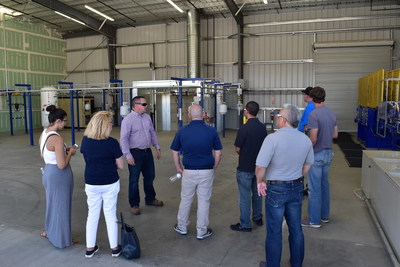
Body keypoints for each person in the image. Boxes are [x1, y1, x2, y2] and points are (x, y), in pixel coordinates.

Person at [256, 105, 314, 267]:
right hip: (296, 188)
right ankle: (296, 264)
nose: (276, 117)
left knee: (274, 232)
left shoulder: (272, 139)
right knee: (296, 230)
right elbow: (308, 165)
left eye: (278, 114)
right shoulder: (305, 139)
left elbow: (261, 167)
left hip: (276, 189)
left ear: (284, 120)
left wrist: (260, 181)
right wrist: (296, 177)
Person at [170, 104, 222, 240]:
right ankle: (201, 231)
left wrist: (178, 168)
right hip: (206, 170)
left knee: (186, 199)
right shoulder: (211, 131)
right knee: (204, 201)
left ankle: (182, 227)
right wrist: (214, 167)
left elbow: (174, 152)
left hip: (188, 171)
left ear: (188, 116)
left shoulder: (182, 131)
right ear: (203, 114)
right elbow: (218, 153)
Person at [80, 111, 124, 258]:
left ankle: (90, 248)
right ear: (106, 126)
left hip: (92, 182)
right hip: (110, 182)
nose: (111, 126)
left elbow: (88, 159)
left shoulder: (86, 141)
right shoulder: (112, 143)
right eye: (110, 123)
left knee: (92, 215)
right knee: (110, 215)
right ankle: (115, 248)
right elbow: (121, 165)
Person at [39, 105, 77, 249]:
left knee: (52, 205)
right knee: (62, 207)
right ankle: (61, 238)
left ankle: (49, 231)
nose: (65, 124)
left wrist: (61, 150)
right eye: (65, 121)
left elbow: (43, 154)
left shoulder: (44, 133)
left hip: (48, 171)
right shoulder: (57, 139)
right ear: (59, 121)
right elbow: (62, 165)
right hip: (59, 175)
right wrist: (70, 153)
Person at [120, 96, 163, 215]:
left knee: (150, 177)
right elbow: (123, 139)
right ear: (136, 105)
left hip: (147, 152)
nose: (146, 106)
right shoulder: (128, 120)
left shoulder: (147, 117)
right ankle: (134, 204)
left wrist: (157, 146)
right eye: (144, 104)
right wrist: (128, 155)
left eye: (146, 104)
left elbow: (152, 132)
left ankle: (150, 199)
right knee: (134, 180)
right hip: (135, 153)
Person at [302, 86, 338, 228]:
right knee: (324, 186)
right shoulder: (331, 113)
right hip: (328, 153)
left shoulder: (314, 115)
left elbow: (313, 139)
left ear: (311, 97)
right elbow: (335, 135)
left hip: (316, 155)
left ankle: (313, 220)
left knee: (314, 189)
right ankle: (324, 216)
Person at [230, 101, 267, 232]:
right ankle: (258, 217)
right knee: (257, 194)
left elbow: (237, 149)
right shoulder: (262, 128)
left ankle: (245, 224)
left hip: (245, 167)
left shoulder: (244, 128)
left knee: (244, 197)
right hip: (259, 168)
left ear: (246, 111)